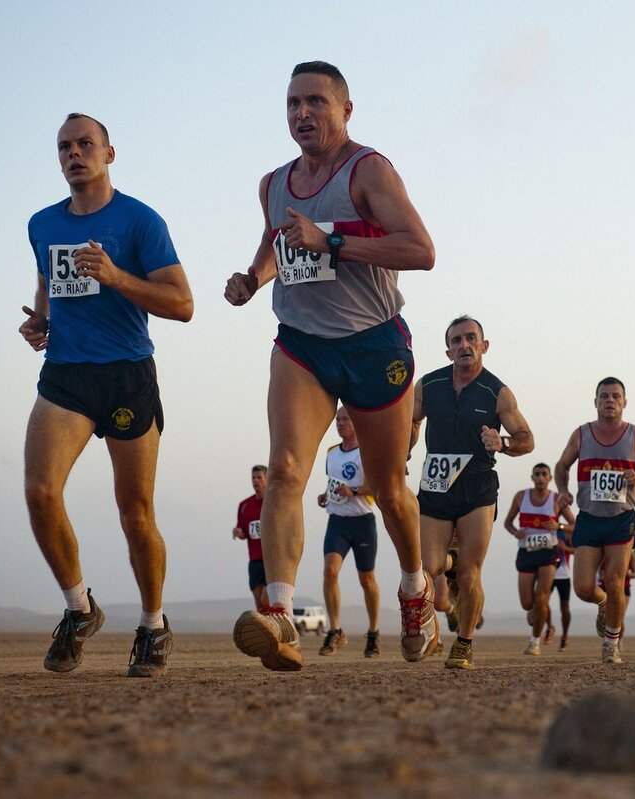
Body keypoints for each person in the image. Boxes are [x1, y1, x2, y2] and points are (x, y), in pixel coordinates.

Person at [224, 62, 436, 671]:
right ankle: (281, 616)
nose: (302, 114)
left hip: (374, 345)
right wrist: (252, 278)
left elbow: (421, 250)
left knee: (390, 489)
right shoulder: (273, 183)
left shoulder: (368, 170)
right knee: (287, 469)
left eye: (316, 101)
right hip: (302, 346)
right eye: (293, 103)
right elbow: (277, 242)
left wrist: (334, 241)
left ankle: (416, 589)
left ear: (346, 110)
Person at [21, 113, 193, 677]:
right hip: (66, 375)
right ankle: (79, 609)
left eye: (85, 144)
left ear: (109, 153)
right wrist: (41, 321)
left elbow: (183, 304)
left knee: (135, 514)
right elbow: (50, 278)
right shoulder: (41, 222)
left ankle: (152, 624)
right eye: (65, 147)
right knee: (41, 492)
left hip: (126, 375)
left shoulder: (140, 220)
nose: (75, 153)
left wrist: (118, 277)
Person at [413, 316, 534, 669]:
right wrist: (404, 447)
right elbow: (410, 420)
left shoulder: (497, 392)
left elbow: (527, 440)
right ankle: (448, 561)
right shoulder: (429, 384)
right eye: (456, 340)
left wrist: (503, 443)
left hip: (477, 486)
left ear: (484, 346)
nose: (464, 345)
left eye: (471, 338)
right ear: (448, 349)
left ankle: (464, 643)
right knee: (430, 567)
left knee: (470, 573)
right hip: (436, 486)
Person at [555, 377, 635, 664]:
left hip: (621, 520)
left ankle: (611, 643)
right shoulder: (581, 434)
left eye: (616, 396)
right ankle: (603, 603)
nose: (610, 400)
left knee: (616, 581)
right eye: (604, 396)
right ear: (595, 401)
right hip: (589, 519)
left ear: (624, 402)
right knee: (582, 588)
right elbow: (561, 465)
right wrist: (564, 491)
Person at [315, 407, 382, 658]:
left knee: (366, 579)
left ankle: (373, 633)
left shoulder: (367, 450)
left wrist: (353, 492)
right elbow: (333, 483)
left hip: (363, 522)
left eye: (345, 420)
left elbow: (379, 487)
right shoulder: (332, 453)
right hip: (338, 522)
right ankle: (335, 630)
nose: (340, 424)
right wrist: (326, 496)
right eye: (338, 420)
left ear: (356, 422)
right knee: (330, 571)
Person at [503, 463, 574, 656]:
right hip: (526, 552)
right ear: (532, 477)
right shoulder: (521, 497)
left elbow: (575, 525)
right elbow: (507, 522)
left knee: (542, 598)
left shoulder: (556, 500)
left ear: (550, 478)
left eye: (544, 474)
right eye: (537, 474)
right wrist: (516, 532)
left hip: (548, 553)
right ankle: (537, 615)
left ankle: (534, 642)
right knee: (528, 603)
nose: (541, 477)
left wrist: (558, 526)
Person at [232, 465, 269, 611]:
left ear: (267, 479)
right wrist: (238, 532)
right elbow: (244, 532)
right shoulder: (244, 505)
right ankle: (264, 632)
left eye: (259, 477)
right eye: (253, 478)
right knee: (259, 603)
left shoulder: (274, 503)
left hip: (271, 560)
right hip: (254, 560)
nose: (255, 481)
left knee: (267, 600)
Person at [549, 524, 576, 650]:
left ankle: (564, 636)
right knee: (541, 602)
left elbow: (577, 550)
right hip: (547, 573)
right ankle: (550, 627)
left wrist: (565, 547)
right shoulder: (545, 526)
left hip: (563, 574)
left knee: (564, 607)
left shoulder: (565, 531)